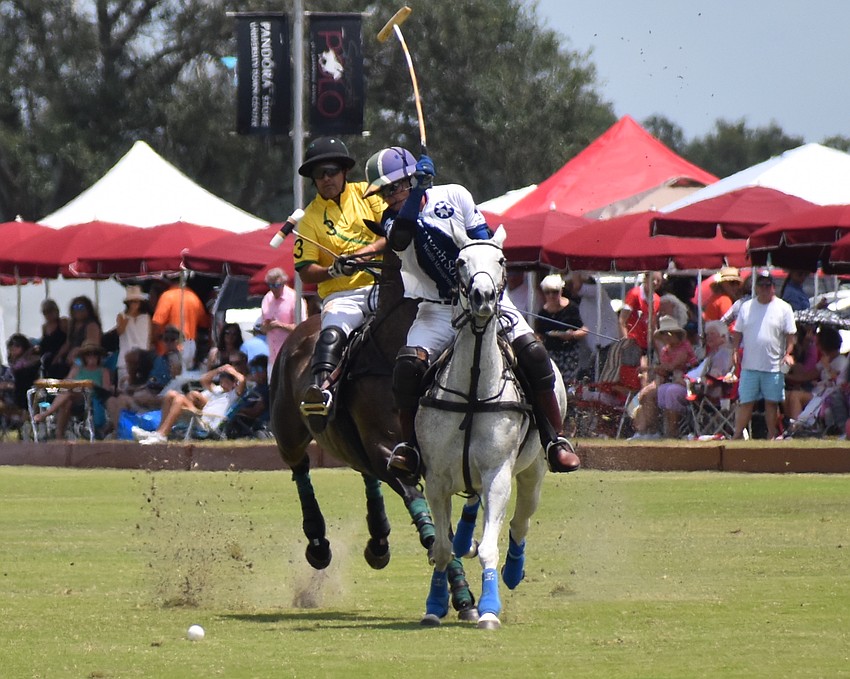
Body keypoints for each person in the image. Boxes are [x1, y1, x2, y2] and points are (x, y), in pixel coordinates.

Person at [363, 146, 580, 478]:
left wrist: (485, 288)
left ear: (408, 177)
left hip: (485, 301)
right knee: (407, 366)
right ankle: (410, 448)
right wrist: (417, 191)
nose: (388, 196)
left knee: (534, 354)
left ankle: (555, 441)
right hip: (437, 310)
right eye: (384, 192)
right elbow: (402, 236)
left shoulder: (455, 195)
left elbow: (485, 245)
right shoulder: (391, 220)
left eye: (394, 187)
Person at [292, 137, 387, 433]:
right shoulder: (309, 220)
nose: (326, 178)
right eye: (319, 174)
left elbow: (393, 232)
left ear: (344, 171)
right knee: (331, 335)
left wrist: (363, 253)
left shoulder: (368, 193)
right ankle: (322, 395)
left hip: (384, 285)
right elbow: (306, 271)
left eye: (331, 170)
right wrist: (334, 269)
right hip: (342, 294)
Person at [731, 270, 797, 440]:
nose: (765, 288)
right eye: (761, 285)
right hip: (749, 365)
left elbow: (791, 335)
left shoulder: (784, 308)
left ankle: (772, 436)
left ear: (773, 287)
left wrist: (788, 354)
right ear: (756, 287)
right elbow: (737, 332)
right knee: (745, 402)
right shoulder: (747, 307)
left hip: (774, 365)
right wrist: (734, 350)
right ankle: (737, 435)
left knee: (771, 402)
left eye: (768, 285)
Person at [132, 363, 246, 445]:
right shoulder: (217, 390)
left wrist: (232, 371)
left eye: (226, 379)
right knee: (171, 394)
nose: (222, 381)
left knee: (180, 399)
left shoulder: (232, 395)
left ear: (233, 383)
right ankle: (158, 432)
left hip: (207, 422)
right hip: (201, 416)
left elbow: (242, 379)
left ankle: (161, 435)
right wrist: (219, 370)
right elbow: (204, 380)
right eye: (222, 378)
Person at [657, 320, 735, 437]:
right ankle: (665, 430)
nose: (707, 337)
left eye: (711, 334)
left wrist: (687, 382)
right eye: (706, 334)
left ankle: (672, 432)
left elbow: (714, 376)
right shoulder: (713, 353)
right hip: (695, 386)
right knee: (663, 389)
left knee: (671, 391)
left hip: (707, 391)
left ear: (723, 336)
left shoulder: (724, 354)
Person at [630, 315, 698, 439]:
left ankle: (669, 431)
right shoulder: (667, 349)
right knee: (646, 395)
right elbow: (663, 371)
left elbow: (671, 366)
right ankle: (648, 431)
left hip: (686, 383)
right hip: (669, 381)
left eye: (666, 334)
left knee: (665, 392)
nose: (664, 338)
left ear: (672, 334)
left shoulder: (684, 348)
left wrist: (648, 368)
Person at [33, 341, 112, 440]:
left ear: (99, 357)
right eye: (88, 354)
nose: (91, 357)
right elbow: (67, 382)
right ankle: (59, 435)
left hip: (91, 399)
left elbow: (106, 391)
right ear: (84, 357)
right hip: (73, 397)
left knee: (69, 392)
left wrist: (93, 385)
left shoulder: (103, 371)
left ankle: (47, 414)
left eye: (95, 354)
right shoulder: (77, 369)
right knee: (67, 400)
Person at [784, 325, 846, 428]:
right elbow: (807, 376)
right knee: (787, 395)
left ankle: (795, 429)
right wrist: (785, 376)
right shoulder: (824, 360)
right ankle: (789, 425)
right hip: (817, 392)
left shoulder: (842, 362)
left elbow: (838, 382)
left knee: (795, 396)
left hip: (828, 396)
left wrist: (827, 367)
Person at [535, 273, 587, 385]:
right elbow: (540, 334)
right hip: (551, 353)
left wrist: (572, 335)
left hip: (569, 353)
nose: (551, 295)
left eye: (555, 292)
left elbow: (584, 330)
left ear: (561, 291)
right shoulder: (542, 313)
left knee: (567, 383)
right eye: (547, 292)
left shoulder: (571, 308)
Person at [151, 273, 210, 369]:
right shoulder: (194, 298)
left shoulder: (167, 296)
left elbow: (157, 324)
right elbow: (205, 323)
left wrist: (152, 342)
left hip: (168, 351)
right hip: (189, 351)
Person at [569, 271, 619, 379]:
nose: (569, 288)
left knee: (601, 378)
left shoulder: (595, 291)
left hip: (606, 343)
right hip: (598, 347)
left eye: (570, 284)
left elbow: (578, 286)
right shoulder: (586, 299)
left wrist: (575, 268)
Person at [259, 267, 305, 377]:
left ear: (284, 282)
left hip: (291, 356)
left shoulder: (295, 299)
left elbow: (302, 328)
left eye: (276, 285)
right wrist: (265, 327)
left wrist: (280, 325)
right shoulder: (267, 298)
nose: (273, 289)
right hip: (273, 357)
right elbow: (262, 327)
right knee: (274, 391)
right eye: (270, 285)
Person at [55, 296, 103, 373]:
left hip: (86, 359)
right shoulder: (73, 325)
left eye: (81, 307)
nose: (78, 310)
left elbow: (94, 345)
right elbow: (68, 343)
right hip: (71, 359)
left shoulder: (91, 325)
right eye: (75, 307)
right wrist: (57, 357)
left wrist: (76, 351)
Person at [115, 285, 151, 386]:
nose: (134, 304)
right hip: (124, 361)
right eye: (132, 302)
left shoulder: (146, 317)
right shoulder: (121, 316)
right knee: (124, 388)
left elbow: (149, 338)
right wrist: (129, 314)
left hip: (142, 360)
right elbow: (120, 331)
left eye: (136, 301)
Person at [619, 271, 662, 354]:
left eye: (658, 280)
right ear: (646, 279)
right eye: (653, 279)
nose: (655, 282)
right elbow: (622, 321)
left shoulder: (657, 300)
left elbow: (653, 327)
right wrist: (626, 343)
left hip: (647, 345)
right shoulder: (634, 294)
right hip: (632, 344)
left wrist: (660, 353)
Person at [0, 334, 40, 414]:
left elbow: (25, 384)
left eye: (17, 346)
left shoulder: (29, 363)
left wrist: (7, 385)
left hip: (21, 396)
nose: (13, 349)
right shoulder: (12, 365)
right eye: (11, 346)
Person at [39, 298, 69, 379]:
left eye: (50, 311)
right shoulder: (45, 327)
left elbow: (69, 341)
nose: (48, 315)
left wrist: (58, 356)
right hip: (47, 356)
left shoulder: (63, 322)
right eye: (45, 312)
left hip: (62, 355)